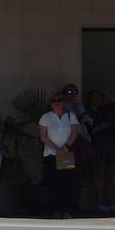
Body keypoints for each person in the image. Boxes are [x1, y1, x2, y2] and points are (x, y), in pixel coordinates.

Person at [38, 91, 80, 219]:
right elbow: (43, 137)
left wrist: (65, 147)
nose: (57, 103)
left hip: (66, 154)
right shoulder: (45, 117)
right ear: (51, 104)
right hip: (51, 154)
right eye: (54, 100)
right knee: (53, 183)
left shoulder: (71, 116)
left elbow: (74, 133)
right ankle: (55, 210)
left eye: (60, 100)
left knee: (67, 182)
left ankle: (66, 210)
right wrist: (57, 149)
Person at [85, 89, 115, 214]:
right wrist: (102, 127)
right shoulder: (87, 112)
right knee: (99, 175)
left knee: (110, 175)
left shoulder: (105, 110)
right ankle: (100, 203)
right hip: (97, 144)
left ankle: (111, 203)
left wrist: (106, 93)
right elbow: (88, 131)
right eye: (94, 96)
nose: (97, 99)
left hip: (109, 144)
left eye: (99, 97)